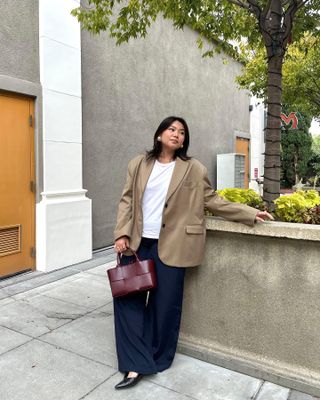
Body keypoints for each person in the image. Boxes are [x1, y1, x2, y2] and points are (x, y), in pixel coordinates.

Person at [113, 116, 273, 389]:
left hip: (175, 245)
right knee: (127, 304)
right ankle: (134, 364)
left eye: (182, 132)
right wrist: (121, 233)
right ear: (160, 133)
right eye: (171, 129)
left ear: (184, 140)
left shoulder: (193, 168)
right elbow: (127, 199)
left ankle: (157, 359)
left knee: (165, 308)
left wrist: (248, 213)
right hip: (138, 244)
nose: (176, 134)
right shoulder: (139, 164)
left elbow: (212, 199)